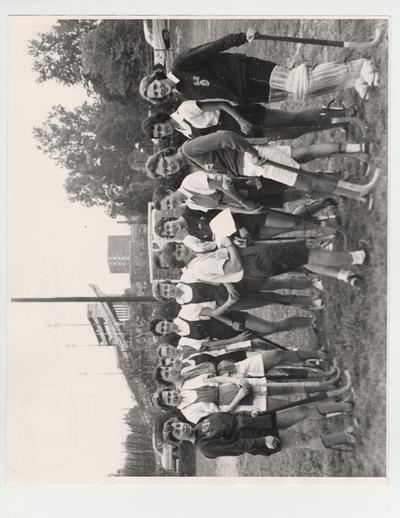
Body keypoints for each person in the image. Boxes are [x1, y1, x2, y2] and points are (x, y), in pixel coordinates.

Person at [139, 29, 378, 105]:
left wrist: (242, 36)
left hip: (247, 70)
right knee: (301, 92)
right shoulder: (184, 95)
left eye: (156, 87)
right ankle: (352, 81)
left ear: (157, 78)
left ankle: (360, 65)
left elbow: (213, 47)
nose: (160, 91)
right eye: (157, 95)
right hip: (249, 94)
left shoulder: (181, 64)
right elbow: (222, 100)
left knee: (299, 81)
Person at [145, 130, 379, 203]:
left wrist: (252, 153)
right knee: (305, 157)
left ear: (165, 154)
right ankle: (358, 157)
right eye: (165, 172)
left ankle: (360, 190)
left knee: (308, 182)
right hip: (252, 167)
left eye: (165, 165)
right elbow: (223, 165)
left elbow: (225, 136)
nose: (169, 169)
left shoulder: (188, 150)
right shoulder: (190, 162)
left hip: (254, 159)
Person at [160, 236, 370, 288]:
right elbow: (234, 266)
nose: (182, 248)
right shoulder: (199, 266)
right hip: (252, 261)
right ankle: (357, 257)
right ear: (180, 263)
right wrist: (228, 243)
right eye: (179, 252)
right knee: (308, 253)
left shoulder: (196, 262)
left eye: (178, 246)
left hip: (254, 265)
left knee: (302, 261)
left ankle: (346, 276)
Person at [141, 100, 359, 142]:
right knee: (293, 133)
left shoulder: (184, 110)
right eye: (160, 135)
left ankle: (342, 111)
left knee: (293, 118)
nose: (164, 132)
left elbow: (220, 104)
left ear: (161, 119)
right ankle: (340, 123)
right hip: (246, 134)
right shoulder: (185, 134)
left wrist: (240, 119)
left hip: (244, 117)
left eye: (160, 129)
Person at [162, 412, 359, 458]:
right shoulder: (205, 447)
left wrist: (249, 415)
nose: (181, 428)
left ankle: (345, 436)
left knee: (301, 434)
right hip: (258, 440)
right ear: (179, 441)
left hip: (256, 427)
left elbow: (230, 417)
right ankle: (347, 437)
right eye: (177, 432)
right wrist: (262, 440)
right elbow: (237, 446)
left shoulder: (200, 423)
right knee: (304, 440)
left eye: (178, 425)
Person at [152, 277, 323, 314]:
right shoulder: (186, 307)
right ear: (167, 298)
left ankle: (312, 283)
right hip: (231, 301)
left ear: (168, 282)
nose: (169, 290)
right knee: (271, 299)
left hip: (231, 284)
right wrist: (229, 302)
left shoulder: (187, 276)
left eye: (166, 287)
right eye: (165, 293)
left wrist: (228, 284)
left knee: (271, 283)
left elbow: (213, 275)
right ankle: (311, 302)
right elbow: (212, 313)